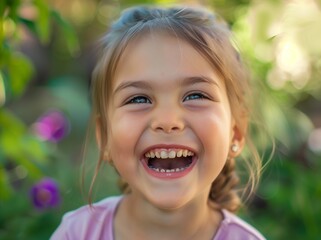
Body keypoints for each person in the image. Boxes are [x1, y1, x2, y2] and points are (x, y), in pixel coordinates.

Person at [51, 5, 266, 240]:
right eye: (139, 98)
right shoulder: (76, 234)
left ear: (235, 133)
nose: (167, 121)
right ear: (105, 139)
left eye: (195, 95)